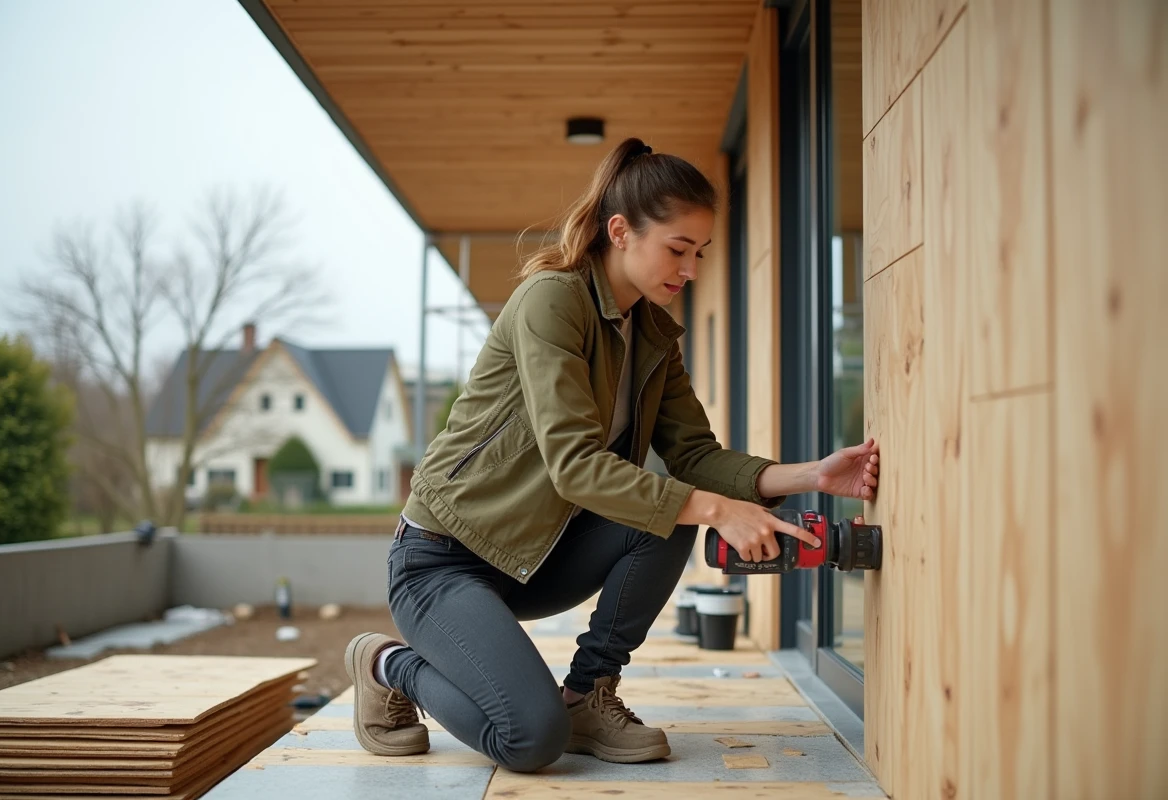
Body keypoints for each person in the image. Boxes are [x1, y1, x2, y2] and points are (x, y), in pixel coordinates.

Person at [344, 137, 880, 773]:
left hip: (535, 558)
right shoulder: (553, 299)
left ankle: (587, 694)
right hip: (442, 560)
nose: (691, 269)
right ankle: (385, 663)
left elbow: (693, 454)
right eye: (677, 249)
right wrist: (713, 509)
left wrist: (813, 474)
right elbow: (573, 464)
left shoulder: (652, 331)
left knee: (668, 517)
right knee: (528, 739)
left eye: (700, 252)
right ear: (620, 231)